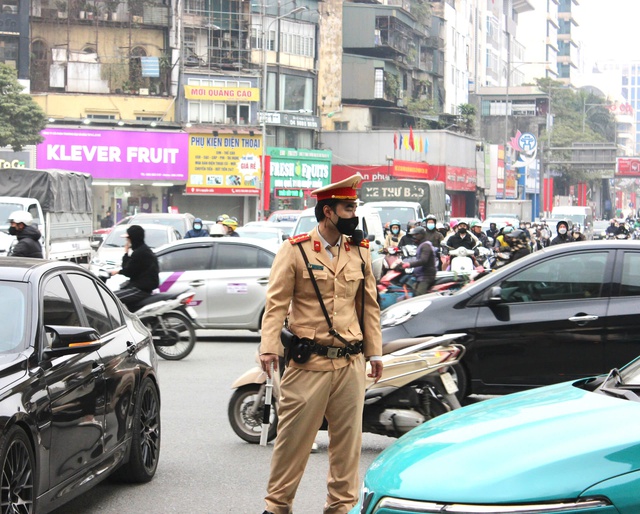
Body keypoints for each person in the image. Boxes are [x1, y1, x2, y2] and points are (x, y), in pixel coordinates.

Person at [259, 173, 383, 514]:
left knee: (348, 448)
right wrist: (269, 346)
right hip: (308, 365)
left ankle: (340, 508)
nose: (354, 214)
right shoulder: (295, 250)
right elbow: (276, 304)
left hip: (350, 365)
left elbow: (368, 306)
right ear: (328, 212)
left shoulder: (359, 251)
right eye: (348, 208)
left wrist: (374, 352)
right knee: (292, 444)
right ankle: (277, 507)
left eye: (355, 207)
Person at [112, 225, 160, 311]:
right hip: (141, 286)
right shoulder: (143, 250)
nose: (127, 242)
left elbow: (128, 271)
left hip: (140, 289)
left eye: (128, 239)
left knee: (112, 298)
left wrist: (126, 254)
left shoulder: (140, 253)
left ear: (133, 239)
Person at [397, 226, 436, 295]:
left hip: (426, 277)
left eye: (416, 235)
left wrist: (409, 264)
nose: (414, 237)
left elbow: (423, 260)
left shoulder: (426, 246)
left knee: (418, 295)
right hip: (420, 276)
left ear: (422, 235)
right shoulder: (421, 245)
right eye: (413, 235)